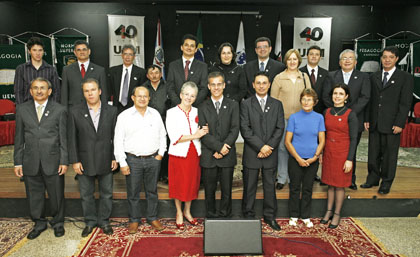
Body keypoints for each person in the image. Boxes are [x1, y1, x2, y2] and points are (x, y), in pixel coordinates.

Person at [14, 77, 68, 239]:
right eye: (35, 88)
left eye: (42, 88)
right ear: (30, 91)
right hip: (30, 161)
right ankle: (39, 223)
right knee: (34, 195)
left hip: (53, 160)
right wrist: (18, 162)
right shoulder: (22, 109)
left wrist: (64, 161)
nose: (39, 91)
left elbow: (63, 138)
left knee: (56, 195)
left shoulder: (59, 110)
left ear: (49, 91)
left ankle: (58, 223)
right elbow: (19, 138)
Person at [68, 78, 118, 237]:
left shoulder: (112, 111)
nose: (90, 93)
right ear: (83, 93)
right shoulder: (75, 111)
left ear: (100, 91)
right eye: (87, 91)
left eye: (93, 90)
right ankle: (89, 221)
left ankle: (104, 221)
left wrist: (114, 157)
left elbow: (116, 136)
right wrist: (75, 160)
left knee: (107, 193)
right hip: (84, 160)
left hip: (106, 158)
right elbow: (72, 138)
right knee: (86, 194)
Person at [114, 86, 167, 233]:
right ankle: (134, 220)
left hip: (153, 159)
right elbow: (118, 140)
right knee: (133, 193)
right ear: (133, 97)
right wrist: (122, 162)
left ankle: (152, 217)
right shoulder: (124, 116)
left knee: (152, 191)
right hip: (133, 160)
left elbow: (163, 135)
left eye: (145, 96)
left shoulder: (155, 114)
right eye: (139, 96)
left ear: (149, 98)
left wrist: (160, 154)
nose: (142, 99)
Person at [362, 46, 414, 194]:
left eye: (391, 57)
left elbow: (405, 103)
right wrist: (367, 119)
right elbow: (370, 100)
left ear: (396, 59)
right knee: (373, 153)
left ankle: (386, 182)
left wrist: (400, 123)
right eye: (384, 57)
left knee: (389, 156)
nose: (387, 60)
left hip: (393, 124)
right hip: (375, 121)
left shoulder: (405, 77)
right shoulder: (374, 76)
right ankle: (372, 179)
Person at [240, 72, 285, 231]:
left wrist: (269, 147)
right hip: (253, 153)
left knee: (269, 187)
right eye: (258, 83)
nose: (261, 85)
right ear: (253, 85)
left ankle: (270, 216)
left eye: (264, 83)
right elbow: (245, 129)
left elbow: (280, 128)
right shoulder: (246, 104)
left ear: (269, 84)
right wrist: (261, 147)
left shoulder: (277, 104)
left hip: (270, 153)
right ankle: (248, 216)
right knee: (249, 187)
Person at [166, 82, 208, 229]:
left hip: (194, 153)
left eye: (192, 95)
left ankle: (187, 211)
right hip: (178, 154)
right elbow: (174, 137)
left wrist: (203, 131)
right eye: (187, 94)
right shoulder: (171, 112)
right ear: (181, 95)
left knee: (191, 184)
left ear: (195, 98)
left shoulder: (198, 111)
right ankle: (178, 212)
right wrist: (194, 135)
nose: (189, 98)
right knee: (178, 184)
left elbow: (203, 129)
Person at [198, 72, 240, 218]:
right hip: (209, 155)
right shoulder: (202, 107)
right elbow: (203, 132)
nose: (216, 87)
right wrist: (218, 148)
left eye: (219, 84)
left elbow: (235, 129)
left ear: (224, 85)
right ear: (209, 86)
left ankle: (225, 216)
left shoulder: (233, 105)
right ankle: (210, 217)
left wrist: (224, 149)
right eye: (213, 85)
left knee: (226, 190)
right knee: (209, 190)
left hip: (227, 154)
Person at [327, 49, 370, 190]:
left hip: (354, 119)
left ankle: (351, 179)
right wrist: (337, 113)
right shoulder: (332, 75)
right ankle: (329, 178)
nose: (347, 60)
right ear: (339, 62)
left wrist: (348, 113)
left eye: (350, 58)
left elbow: (365, 97)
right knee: (333, 150)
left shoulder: (363, 77)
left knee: (351, 149)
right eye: (344, 58)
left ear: (355, 62)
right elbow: (326, 96)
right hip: (334, 120)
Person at [271, 49, 311, 190]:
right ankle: (282, 177)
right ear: (286, 61)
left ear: (299, 61)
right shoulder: (279, 78)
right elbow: (273, 102)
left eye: (295, 59)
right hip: (284, 119)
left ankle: (295, 177)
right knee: (282, 148)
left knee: (298, 149)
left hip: (301, 119)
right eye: (289, 59)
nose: (292, 62)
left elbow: (309, 98)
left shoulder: (305, 77)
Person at [285, 88, 325, 228]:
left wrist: (315, 157)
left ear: (315, 102)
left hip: (312, 160)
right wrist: (298, 158)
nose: (306, 102)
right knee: (295, 188)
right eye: (303, 99)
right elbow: (287, 141)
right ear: (300, 101)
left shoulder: (319, 118)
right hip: (295, 159)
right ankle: (294, 215)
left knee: (308, 188)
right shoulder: (294, 117)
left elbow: (322, 140)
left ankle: (305, 216)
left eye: (309, 99)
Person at [321, 84, 358, 229]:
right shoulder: (326, 112)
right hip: (329, 151)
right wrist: (321, 153)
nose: (337, 96)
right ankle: (328, 211)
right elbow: (322, 134)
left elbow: (354, 139)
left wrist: (349, 159)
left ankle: (337, 214)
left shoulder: (351, 114)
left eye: (341, 94)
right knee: (330, 184)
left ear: (346, 97)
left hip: (343, 153)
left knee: (340, 186)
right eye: (335, 93)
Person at [142, 64, 170, 183]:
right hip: (149, 122)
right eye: (151, 73)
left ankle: (165, 173)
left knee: (166, 147)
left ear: (161, 74)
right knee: (152, 147)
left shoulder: (168, 86)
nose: (154, 75)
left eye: (156, 73)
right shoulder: (143, 88)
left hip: (166, 121)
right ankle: (154, 174)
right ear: (148, 75)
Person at [61, 40, 107, 108]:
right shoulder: (67, 70)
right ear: (75, 52)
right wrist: (64, 113)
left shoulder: (100, 70)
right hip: (73, 110)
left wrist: (104, 112)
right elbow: (64, 94)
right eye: (78, 50)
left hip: (93, 110)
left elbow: (104, 95)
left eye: (84, 49)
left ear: (89, 51)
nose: (82, 52)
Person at [14, 37, 60, 104]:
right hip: (27, 109)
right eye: (34, 50)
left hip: (47, 109)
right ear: (29, 51)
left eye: (40, 50)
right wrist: (22, 110)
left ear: (43, 51)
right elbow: (18, 92)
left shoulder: (51, 70)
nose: (38, 53)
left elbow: (56, 92)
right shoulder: (21, 69)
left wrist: (52, 109)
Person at [167, 34, 208, 107]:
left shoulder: (203, 66)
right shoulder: (173, 65)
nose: (189, 48)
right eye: (186, 45)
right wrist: (180, 105)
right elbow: (170, 88)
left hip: (195, 108)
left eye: (192, 46)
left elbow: (204, 89)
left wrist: (191, 104)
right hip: (176, 107)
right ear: (181, 47)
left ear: (196, 49)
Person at [108, 44, 146, 114]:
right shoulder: (113, 71)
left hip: (134, 107)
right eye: (125, 54)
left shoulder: (141, 72)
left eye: (130, 54)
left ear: (134, 56)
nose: (127, 57)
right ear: (122, 55)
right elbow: (109, 90)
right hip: (116, 107)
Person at [299, 45, 330, 114]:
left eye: (317, 54)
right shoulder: (299, 72)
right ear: (307, 56)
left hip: (321, 112)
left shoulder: (326, 73)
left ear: (320, 57)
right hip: (302, 110)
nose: (314, 56)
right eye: (311, 54)